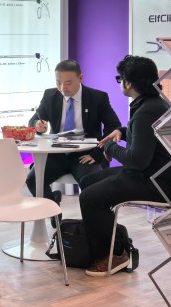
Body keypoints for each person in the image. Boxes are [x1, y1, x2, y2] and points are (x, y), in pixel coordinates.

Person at [79, 55, 171, 276]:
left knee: (89, 198)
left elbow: (136, 160)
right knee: (88, 181)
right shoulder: (154, 104)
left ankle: (111, 256)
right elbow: (143, 136)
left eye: (120, 78)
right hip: (150, 174)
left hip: (153, 182)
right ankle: (115, 244)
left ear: (129, 83)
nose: (120, 83)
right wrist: (121, 132)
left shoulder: (146, 111)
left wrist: (108, 147)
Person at [27, 59, 121, 202]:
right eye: (58, 82)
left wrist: (98, 152)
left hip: (86, 154)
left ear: (80, 78)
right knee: (32, 180)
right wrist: (38, 125)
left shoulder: (97, 98)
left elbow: (113, 126)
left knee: (92, 185)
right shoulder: (50, 96)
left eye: (68, 83)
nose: (62, 88)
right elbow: (34, 120)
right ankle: (53, 207)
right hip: (56, 154)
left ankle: (91, 216)